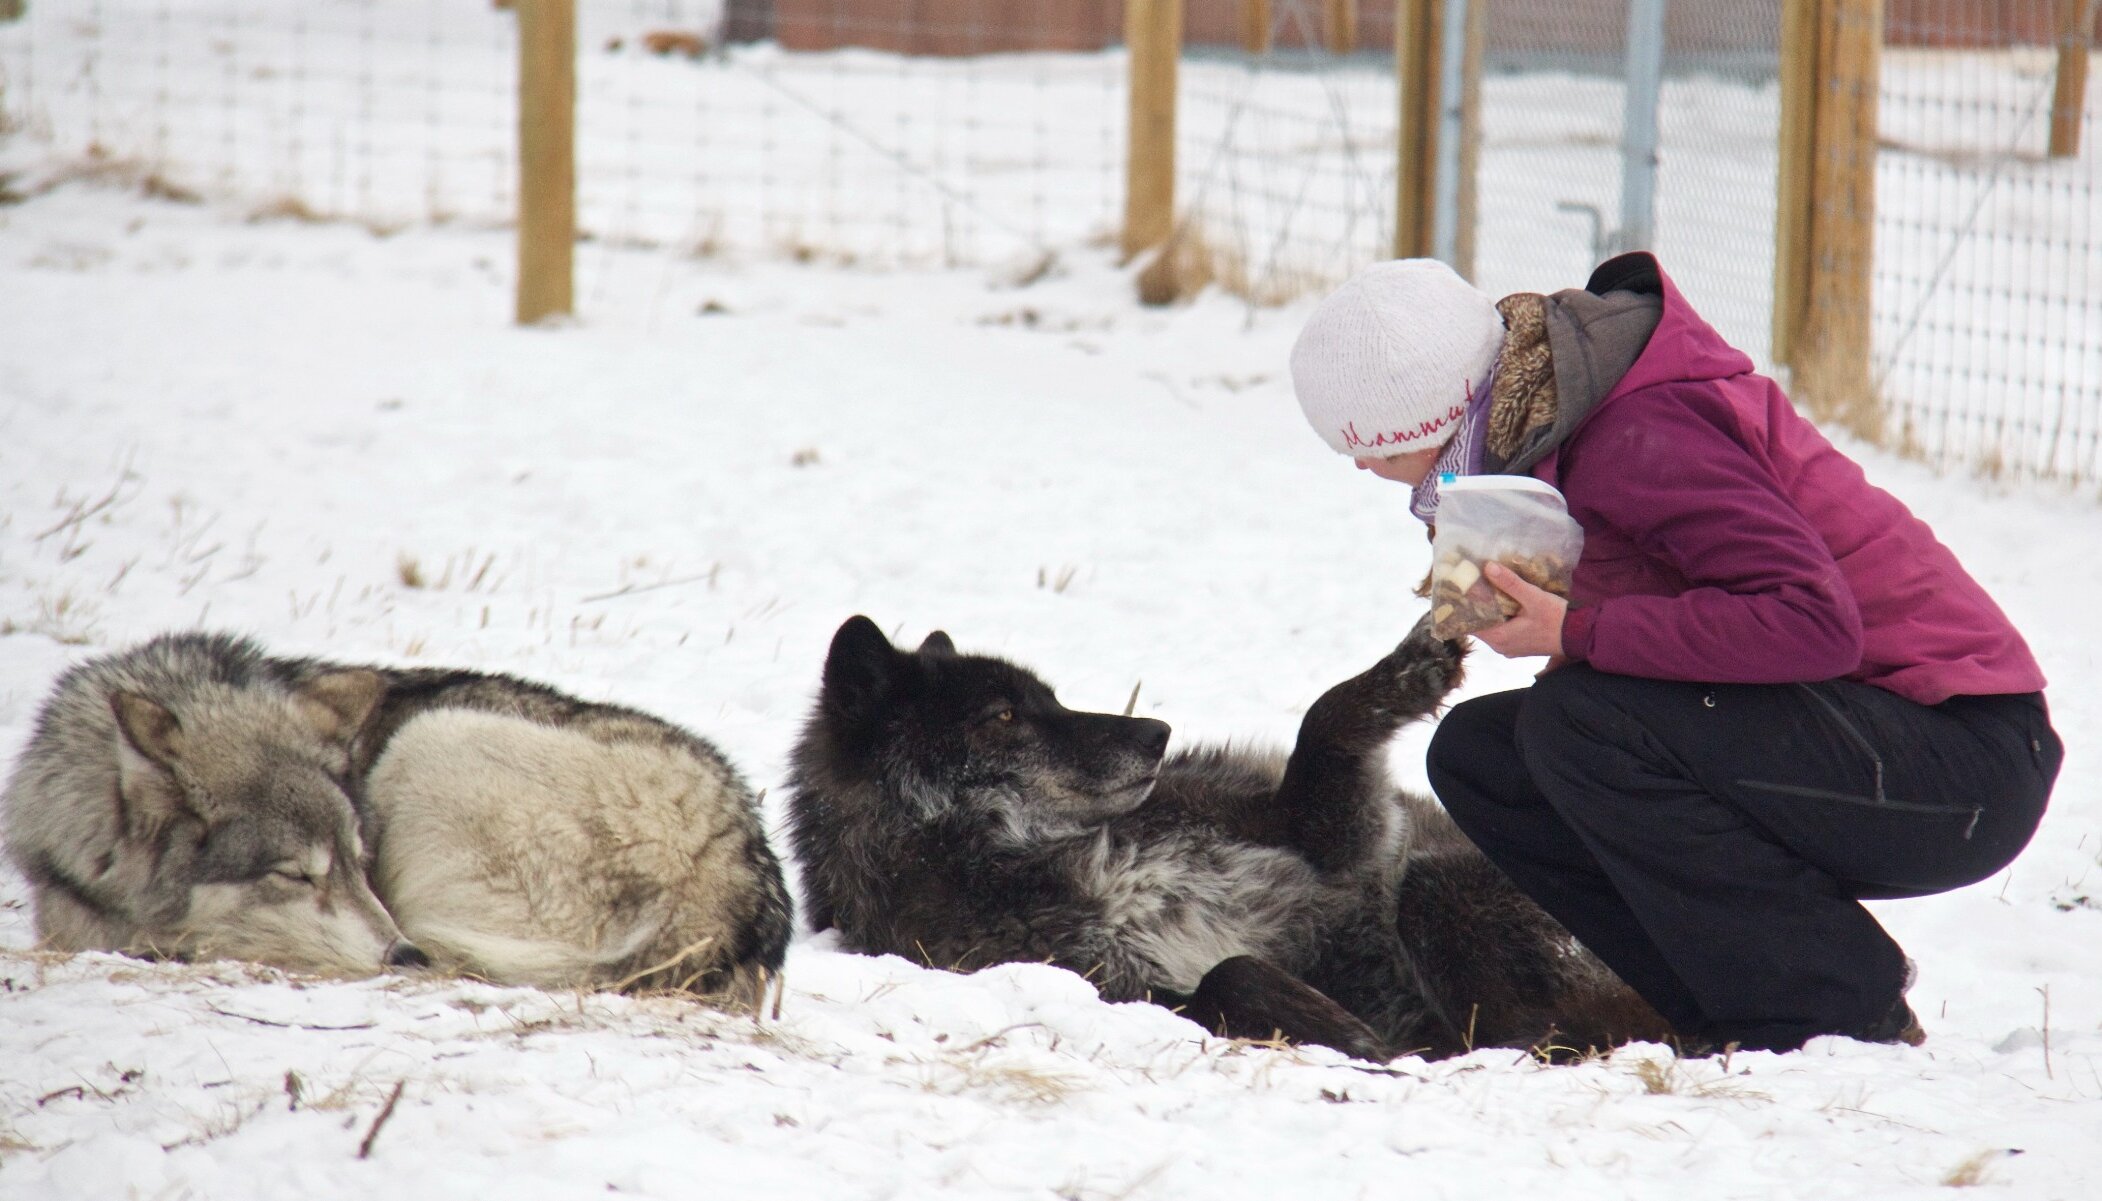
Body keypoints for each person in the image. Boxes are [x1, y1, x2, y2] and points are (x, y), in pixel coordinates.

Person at [1288, 253, 2063, 1053]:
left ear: (1430, 416)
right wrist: (1567, 627)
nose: (1359, 465)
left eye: (1368, 442)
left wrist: (1575, 633)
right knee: (1485, 756)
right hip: (1860, 741)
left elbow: (1811, 621)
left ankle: (1831, 1007)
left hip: (1962, 762)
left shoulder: (1638, 428)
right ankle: (1718, 1008)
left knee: (1575, 724)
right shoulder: (1549, 426)